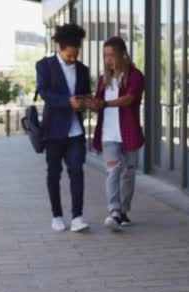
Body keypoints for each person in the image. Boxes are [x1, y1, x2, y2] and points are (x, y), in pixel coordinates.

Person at [36, 24, 91, 232]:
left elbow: (85, 94)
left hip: (76, 131)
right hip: (54, 131)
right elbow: (44, 92)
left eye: (75, 56)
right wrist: (67, 102)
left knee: (77, 171)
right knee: (54, 173)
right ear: (61, 48)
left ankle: (77, 217)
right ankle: (57, 215)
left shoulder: (83, 70)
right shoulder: (45, 65)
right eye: (69, 56)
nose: (72, 59)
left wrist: (88, 103)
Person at [86, 36, 145, 231]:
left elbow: (129, 99)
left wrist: (105, 104)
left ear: (122, 54)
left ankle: (124, 211)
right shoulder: (104, 79)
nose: (109, 59)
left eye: (112, 55)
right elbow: (99, 103)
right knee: (112, 171)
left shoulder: (136, 76)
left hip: (128, 132)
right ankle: (114, 211)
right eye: (105, 56)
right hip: (108, 134)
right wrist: (91, 104)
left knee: (128, 172)